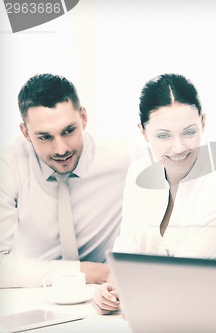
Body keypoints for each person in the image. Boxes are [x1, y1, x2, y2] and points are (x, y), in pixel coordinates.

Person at [94, 73, 216, 314]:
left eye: (189, 132)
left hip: (210, 312)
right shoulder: (138, 173)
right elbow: (126, 253)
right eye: (163, 135)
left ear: (203, 123)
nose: (179, 147)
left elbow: (186, 271)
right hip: (154, 310)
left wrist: (131, 288)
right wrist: (108, 293)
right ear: (143, 132)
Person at [0, 74, 130, 288]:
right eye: (45, 137)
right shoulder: (8, 166)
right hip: (33, 293)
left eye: (69, 131)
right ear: (25, 132)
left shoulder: (123, 158)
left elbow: (188, 160)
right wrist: (82, 272)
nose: (61, 149)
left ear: (84, 118)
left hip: (106, 293)